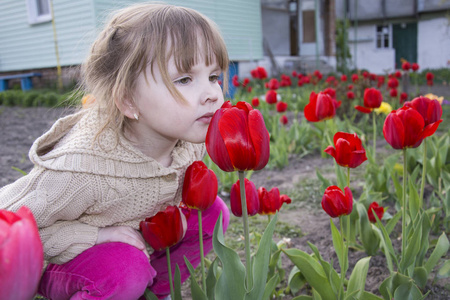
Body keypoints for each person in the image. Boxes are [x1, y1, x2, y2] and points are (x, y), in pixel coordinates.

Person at [0, 3, 230, 299]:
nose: (212, 93)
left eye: (213, 76)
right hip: (66, 261)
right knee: (124, 269)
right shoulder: (81, 168)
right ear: (129, 101)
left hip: (134, 244)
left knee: (212, 213)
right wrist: (93, 236)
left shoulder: (187, 142)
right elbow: (9, 224)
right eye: (184, 79)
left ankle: (154, 290)